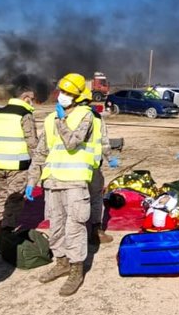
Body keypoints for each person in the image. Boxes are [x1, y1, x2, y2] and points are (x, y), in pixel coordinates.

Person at [35, 73, 100, 297]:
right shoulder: (50, 118)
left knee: (75, 227)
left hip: (74, 182)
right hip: (53, 181)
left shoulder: (86, 116)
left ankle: (76, 270)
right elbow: (42, 150)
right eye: (62, 91)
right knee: (56, 226)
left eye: (69, 93)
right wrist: (31, 179)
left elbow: (72, 143)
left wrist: (61, 122)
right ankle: (61, 262)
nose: (63, 96)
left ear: (78, 96)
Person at [0, 89, 44, 245]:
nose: (32, 101)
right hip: (18, 165)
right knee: (15, 199)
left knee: (2, 196)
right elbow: (32, 142)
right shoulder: (24, 114)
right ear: (25, 97)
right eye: (31, 98)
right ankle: (6, 232)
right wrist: (38, 163)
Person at [87, 88, 120, 244]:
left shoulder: (59, 117)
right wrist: (110, 158)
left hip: (64, 169)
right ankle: (96, 231)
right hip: (91, 167)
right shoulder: (96, 118)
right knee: (95, 199)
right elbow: (104, 142)